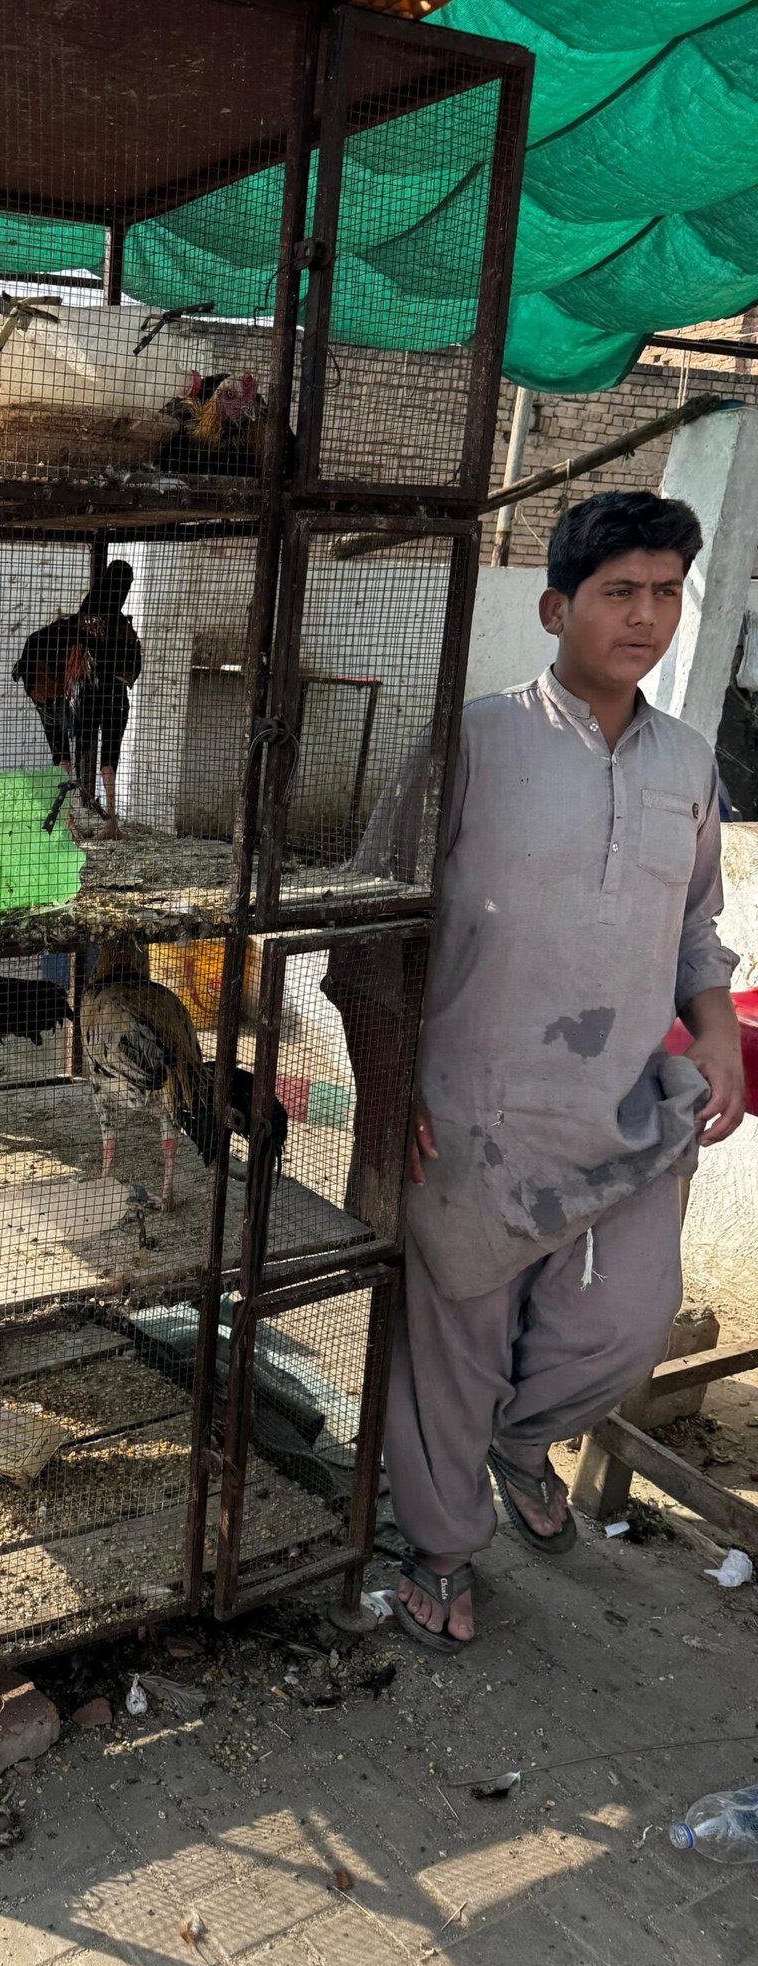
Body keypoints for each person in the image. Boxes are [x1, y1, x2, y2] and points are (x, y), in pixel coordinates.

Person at [338, 492, 745, 1652]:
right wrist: (388, 1089)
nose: (648, 616)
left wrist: (712, 1029)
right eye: (620, 591)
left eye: (667, 591)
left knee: (626, 1324)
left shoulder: (684, 762)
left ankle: (523, 1450)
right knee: (451, 1349)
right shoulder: (470, 741)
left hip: (618, 1107)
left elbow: (693, 928)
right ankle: (440, 1551)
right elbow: (373, 926)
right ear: (555, 605)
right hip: (469, 1108)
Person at [74, 560, 142, 838]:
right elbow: (133, 668)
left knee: (80, 753)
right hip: (115, 696)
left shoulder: (88, 613)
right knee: (108, 760)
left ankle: (74, 818)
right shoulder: (123, 627)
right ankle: (110, 820)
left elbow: (78, 649)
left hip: (90, 695)